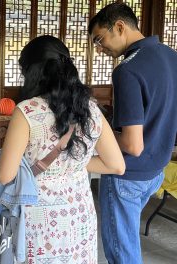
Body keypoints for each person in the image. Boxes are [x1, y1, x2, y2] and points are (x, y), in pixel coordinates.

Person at [0, 35, 125, 263]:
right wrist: (73, 163)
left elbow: (6, 174)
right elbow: (116, 165)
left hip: (39, 221)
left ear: (32, 72)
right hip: (79, 216)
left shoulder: (27, 111)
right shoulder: (91, 109)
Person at [88, 2, 177, 263]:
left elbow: (132, 145)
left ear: (119, 26)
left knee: (122, 253)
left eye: (100, 39)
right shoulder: (171, 57)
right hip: (156, 169)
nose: (99, 48)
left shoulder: (127, 70)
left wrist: (99, 131)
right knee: (127, 241)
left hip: (128, 174)